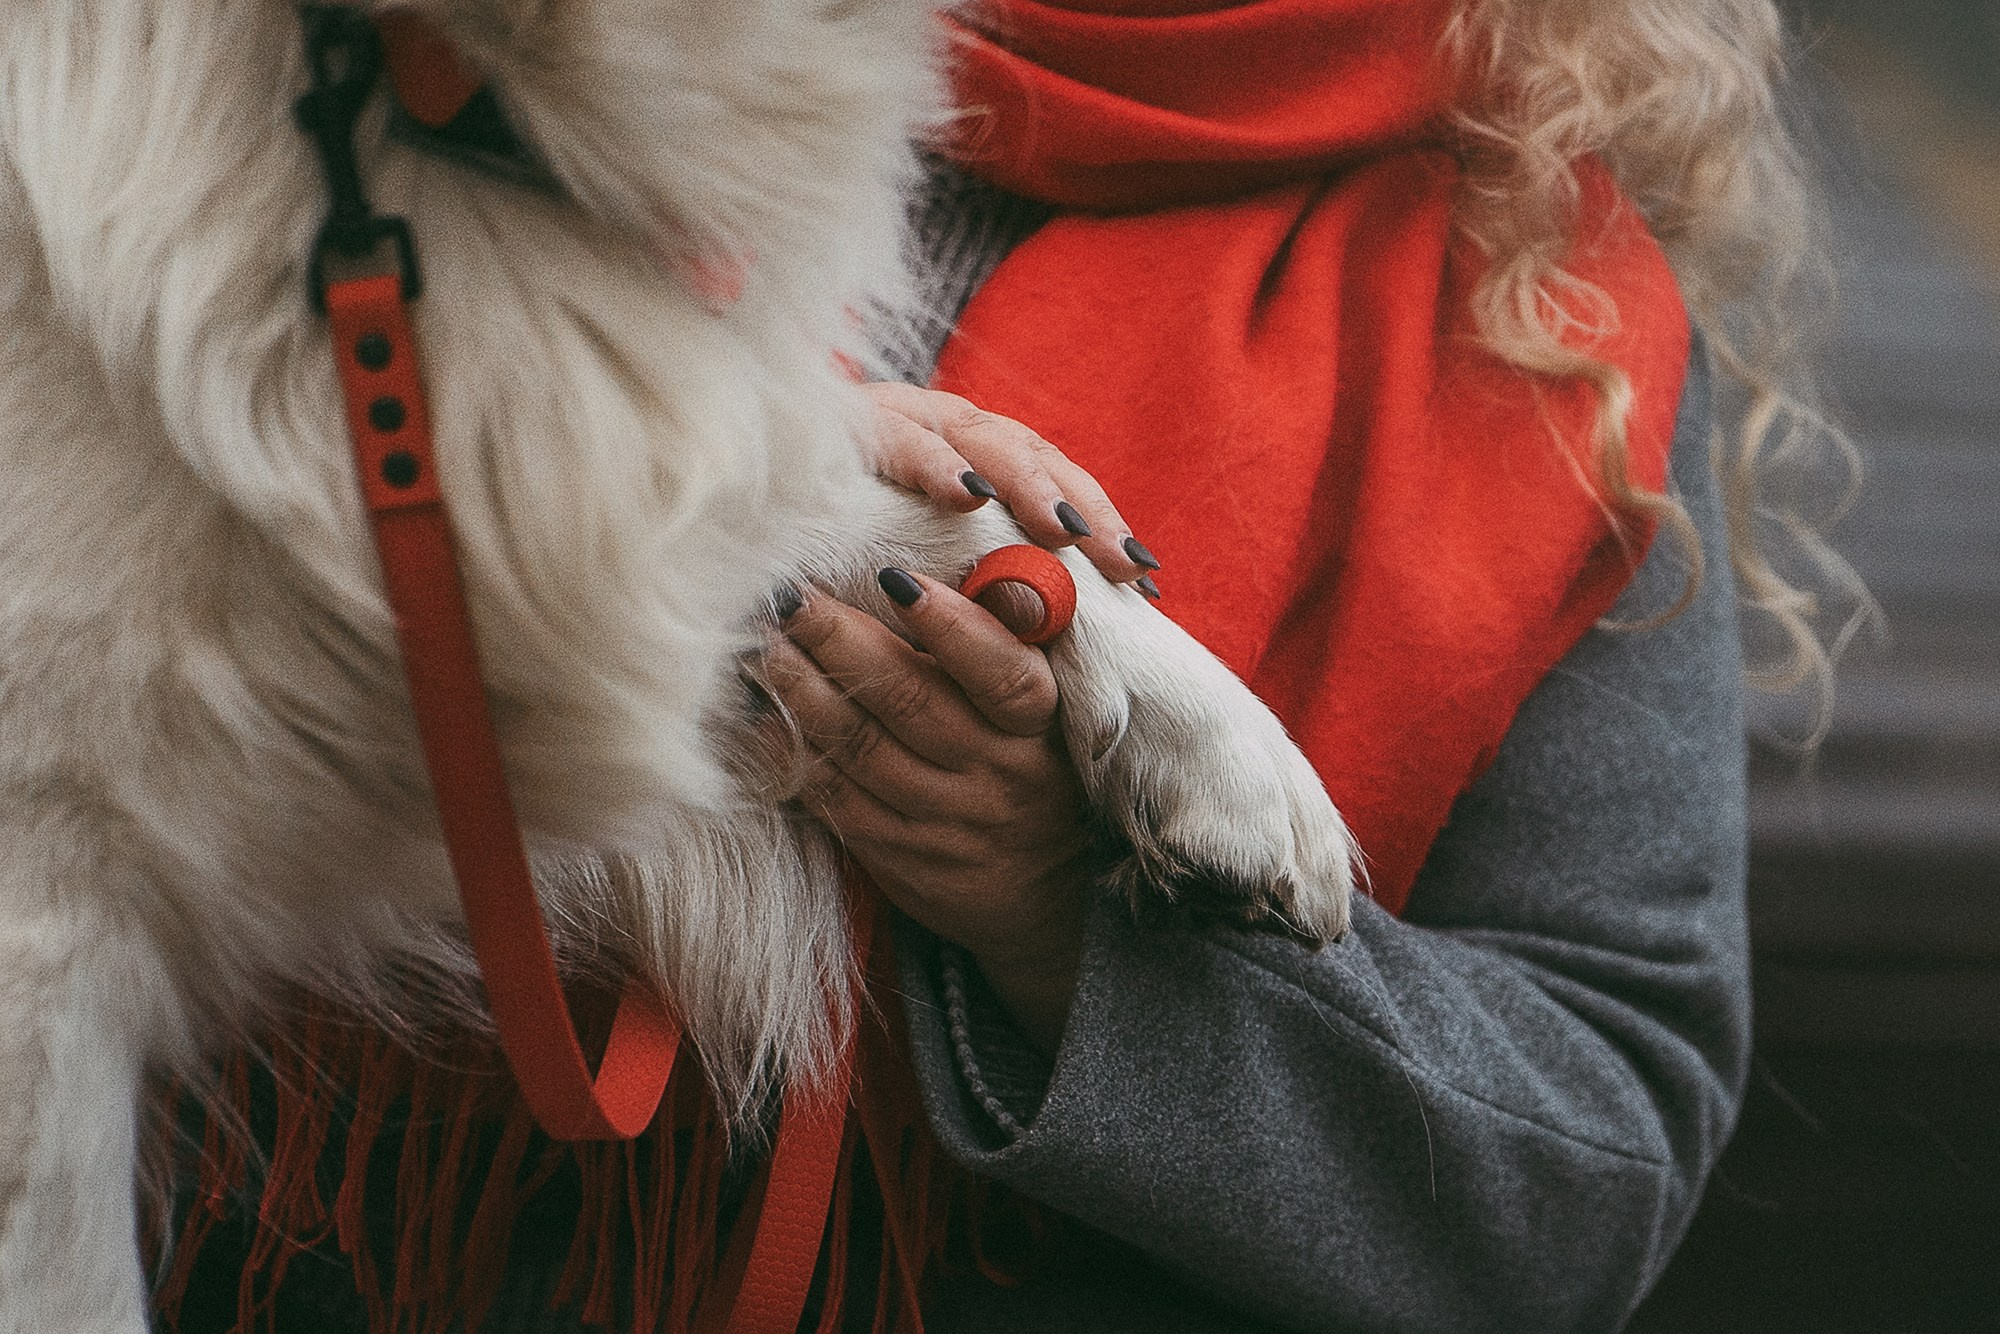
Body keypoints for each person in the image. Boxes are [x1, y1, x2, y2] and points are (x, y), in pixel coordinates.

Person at [751, 0, 1856, 1329]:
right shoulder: (567, 96)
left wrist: (1063, 916)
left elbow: (1591, 1174)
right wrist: (704, 468)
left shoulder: (1550, 303)